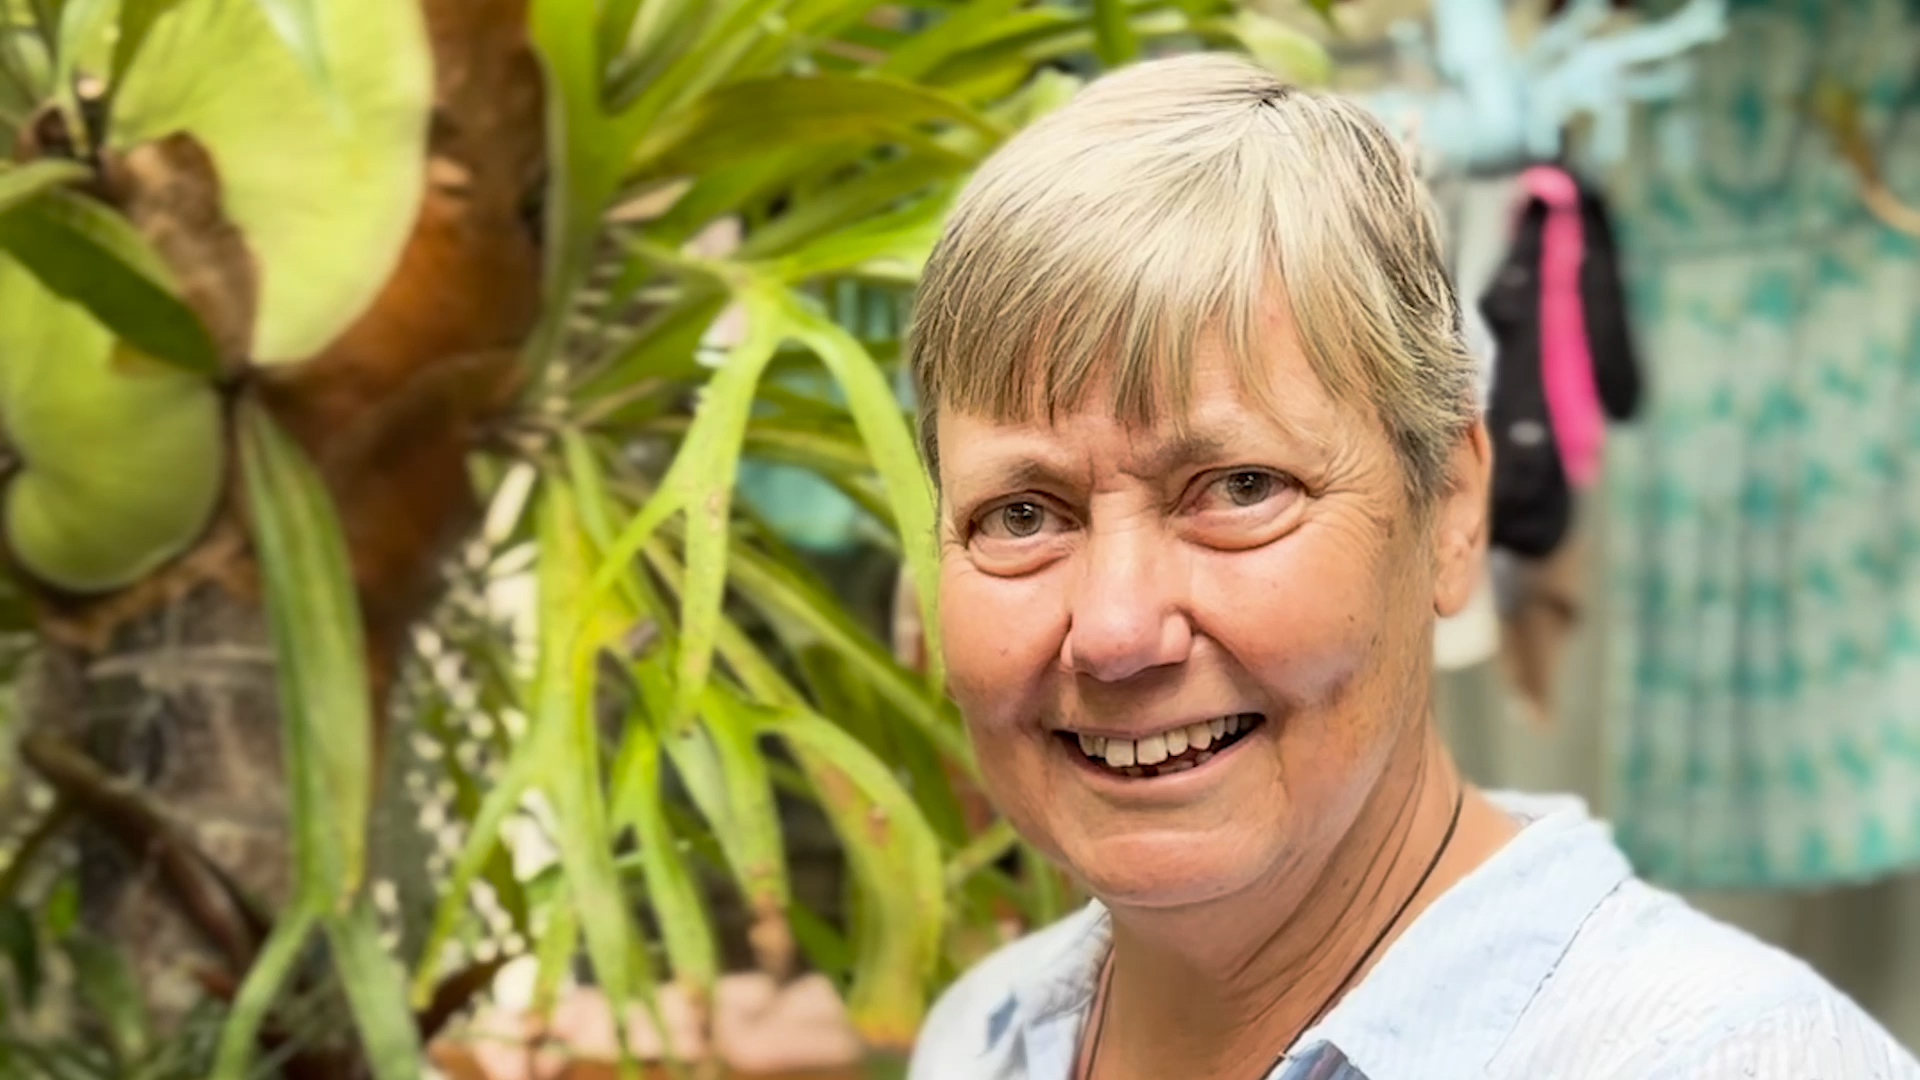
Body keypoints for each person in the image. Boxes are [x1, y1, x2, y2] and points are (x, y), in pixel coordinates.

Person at [902, 52, 1920, 1080]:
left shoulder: (1721, 1060)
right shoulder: (984, 1036)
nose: (1117, 630)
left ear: (1449, 511)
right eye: (1023, 514)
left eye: (1241, 488)